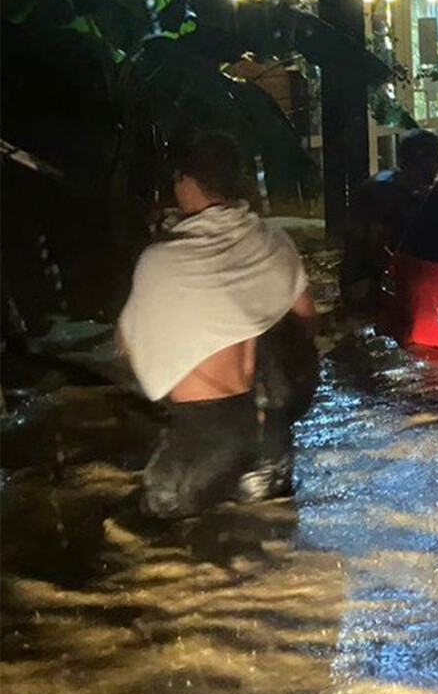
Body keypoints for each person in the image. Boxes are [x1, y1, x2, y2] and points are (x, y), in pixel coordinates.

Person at [117, 132, 319, 518]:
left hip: (204, 437)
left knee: (160, 545)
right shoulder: (274, 242)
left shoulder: (162, 261)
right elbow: (309, 320)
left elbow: (128, 345)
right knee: (274, 544)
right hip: (271, 435)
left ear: (187, 182)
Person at [341, 127, 438, 309]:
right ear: (420, 161)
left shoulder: (409, 190)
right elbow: (376, 249)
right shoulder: (384, 192)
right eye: (435, 160)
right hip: (367, 285)